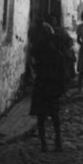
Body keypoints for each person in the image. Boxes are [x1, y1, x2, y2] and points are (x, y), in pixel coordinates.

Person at [29, 23, 66, 152]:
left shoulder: (40, 50)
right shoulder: (53, 52)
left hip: (44, 85)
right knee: (52, 115)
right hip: (49, 85)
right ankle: (55, 141)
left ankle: (47, 142)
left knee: (43, 116)